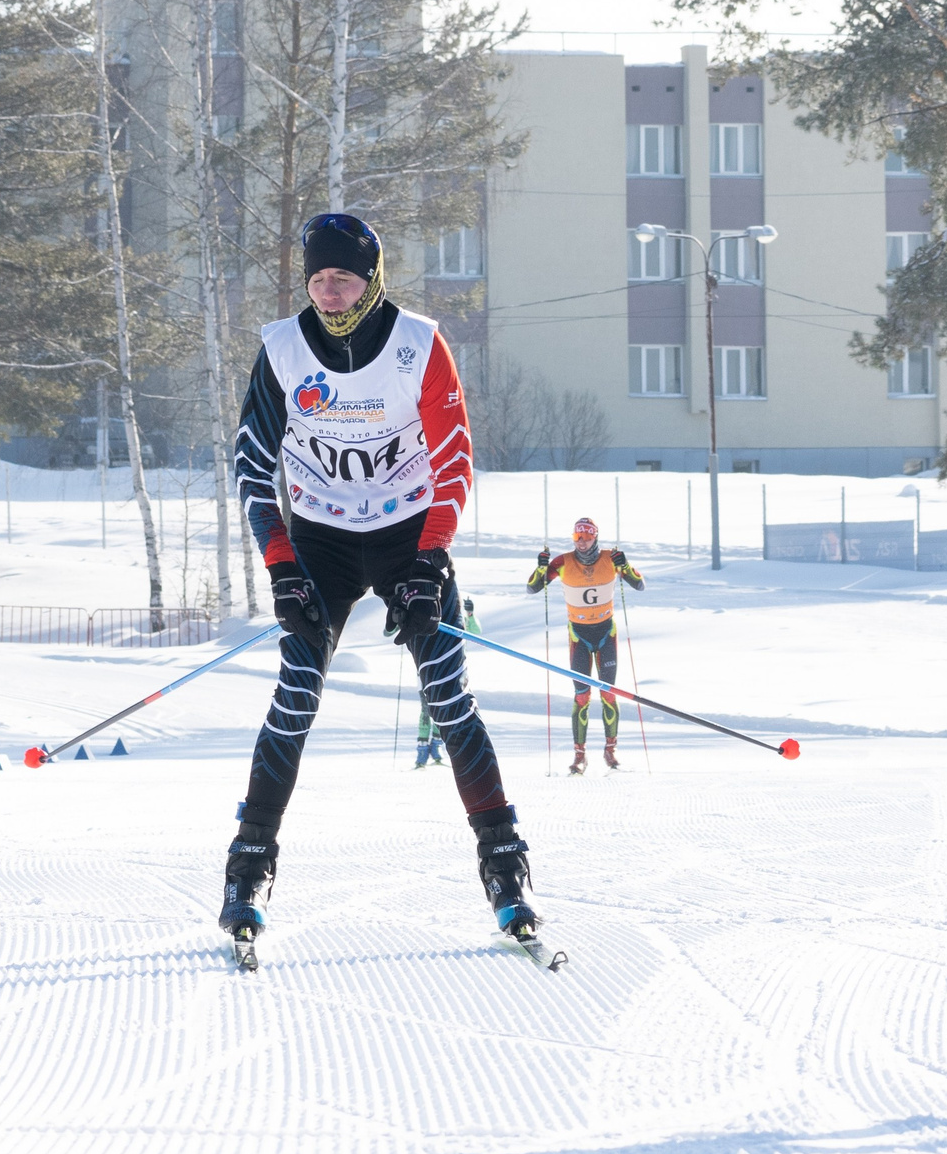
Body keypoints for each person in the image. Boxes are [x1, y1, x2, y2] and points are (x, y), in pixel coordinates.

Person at [216, 212, 539, 955]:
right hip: (321, 544)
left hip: (407, 537)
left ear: (373, 278)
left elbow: (455, 459)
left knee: (449, 695)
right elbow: (251, 468)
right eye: (317, 278)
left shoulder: (418, 344)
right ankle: (249, 866)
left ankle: (505, 863)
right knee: (296, 693)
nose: (329, 293)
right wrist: (280, 565)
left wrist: (429, 562)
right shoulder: (283, 350)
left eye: (344, 278)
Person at [526, 518, 646, 773]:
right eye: (577, 537)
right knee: (582, 696)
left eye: (587, 536)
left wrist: (626, 566)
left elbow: (639, 584)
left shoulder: (611, 558)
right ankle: (579, 755)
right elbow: (532, 588)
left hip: (605, 634)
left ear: (595, 537)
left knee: (608, 693)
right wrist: (540, 567)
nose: (582, 542)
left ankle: (610, 751)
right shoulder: (562, 562)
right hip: (578, 636)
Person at [388, 593, 481, 768]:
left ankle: (436, 749)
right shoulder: (427, 611)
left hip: (452, 671)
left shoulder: (455, 615)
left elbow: (475, 632)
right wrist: (400, 616)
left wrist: (470, 614)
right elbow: (390, 631)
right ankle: (422, 752)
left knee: (443, 710)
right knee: (426, 710)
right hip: (426, 672)